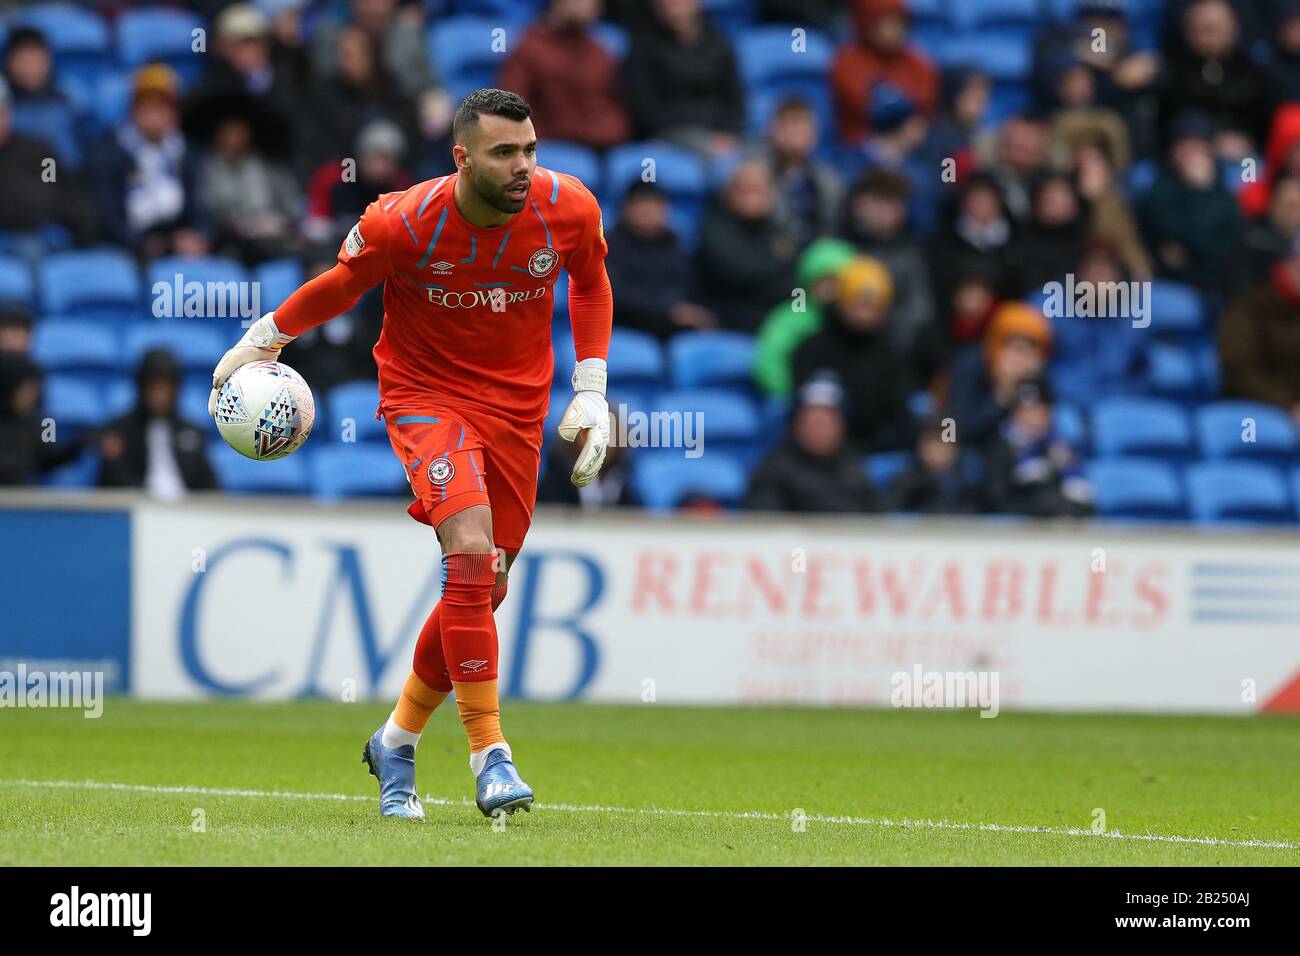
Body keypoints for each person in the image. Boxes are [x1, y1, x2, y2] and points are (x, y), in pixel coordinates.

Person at [206, 90, 612, 821]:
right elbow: (343, 284)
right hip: (427, 398)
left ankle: (395, 739)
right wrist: (265, 336)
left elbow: (590, 281)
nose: (523, 167)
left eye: (529, 151)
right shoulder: (404, 221)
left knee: (485, 585)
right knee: (468, 551)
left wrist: (591, 384)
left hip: (518, 411)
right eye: (503, 153)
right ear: (462, 157)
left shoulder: (570, 207)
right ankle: (491, 755)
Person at [791, 256, 915, 452]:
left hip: (874, 450)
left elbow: (900, 413)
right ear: (842, 301)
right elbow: (800, 409)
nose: (864, 314)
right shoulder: (813, 348)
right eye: (858, 303)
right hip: (820, 450)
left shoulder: (890, 354)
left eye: (873, 307)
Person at [95, 64, 211, 259]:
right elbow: (106, 214)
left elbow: (201, 203)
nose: (155, 114)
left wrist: (199, 236)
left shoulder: (186, 150)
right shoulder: (109, 151)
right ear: (133, 110)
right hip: (131, 244)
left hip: (178, 238)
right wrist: (141, 244)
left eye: (163, 107)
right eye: (148, 106)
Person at [498, 0, 629, 150]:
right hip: (550, 145)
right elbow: (512, 110)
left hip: (604, 145)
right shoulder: (529, 47)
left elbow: (617, 109)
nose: (587, 5)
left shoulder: (600, 51)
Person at [621, 0, 745, 153]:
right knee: (718, 156)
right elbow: (644, 107)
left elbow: (735, 97)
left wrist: (728, 132)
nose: (672, 7)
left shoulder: (719, 41)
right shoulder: (642, 46)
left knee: (758, 153)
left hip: (719, 133)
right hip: (668, 133)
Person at [744, 376, 878, 513]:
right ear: (797, 424)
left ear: (841, 425)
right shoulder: (772, 470)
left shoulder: (854, 468)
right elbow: (764, 525)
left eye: (827, 419)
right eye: (812, 419)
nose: (819, 427)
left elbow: (874, 522)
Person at [695, 159, 797, 332]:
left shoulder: (777, 230)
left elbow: (792, 280)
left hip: (772, 320)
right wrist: (774, 265)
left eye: (758, 191)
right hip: (725, 321)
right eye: (745, 191)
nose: (752, 198)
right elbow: (736, 273)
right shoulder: (714, 226)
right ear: (730, 194)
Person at [98, 350, 217, 498]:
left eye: (167, 388)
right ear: (142, 388)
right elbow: (110, 487)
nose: (161, 396)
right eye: (155, 387)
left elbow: (210, 486)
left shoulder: (192, 432)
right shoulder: (120, 432)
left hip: (187, 513)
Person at [604, 181, 713, 339]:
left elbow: (688, 287)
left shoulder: (675, 245)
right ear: (625, 208)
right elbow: (615, 294)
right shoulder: (608, 247)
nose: (648, 211)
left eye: (655, 204)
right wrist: (669, 310)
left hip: (673, 330)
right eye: (641, 203)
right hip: (625, 328)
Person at [753, 238, 856, 398]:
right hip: (790, 398)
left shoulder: (854, 322)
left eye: (837, 282)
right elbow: (769, 362)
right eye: (824, 281)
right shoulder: (793, 315)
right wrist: (791, 397)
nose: (831, 289)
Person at [830, 0, 938, 145]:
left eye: (897, 23)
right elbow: (865, 107)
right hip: (862, 148)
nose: (892, 31)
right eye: (885, 23)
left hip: (914, 146)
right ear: (867, 23)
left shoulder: (917, 62)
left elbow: (926, 103)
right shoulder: (847, 61)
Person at [984, 377, 1094, 518]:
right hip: (1019, 528)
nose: (1032, 417)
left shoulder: (1059, 447)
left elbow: (1082, 495)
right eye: (1025, 411)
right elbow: (997, 498)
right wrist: (1043, 508)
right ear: (1015, 414)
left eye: (1038, 410)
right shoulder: (1000, 447)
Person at [1218, 250, 1300, 424]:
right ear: (1288, 267)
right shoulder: (1248, 309)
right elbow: (1240, 372)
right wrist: (1289, 404)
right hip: (1254, 411)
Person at [886, 414, 981, 515]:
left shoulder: (969, 484)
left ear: (955, 448)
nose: (937, 450)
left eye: (943, 444)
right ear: (920, 447)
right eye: (932, 443)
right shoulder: (907, 482)